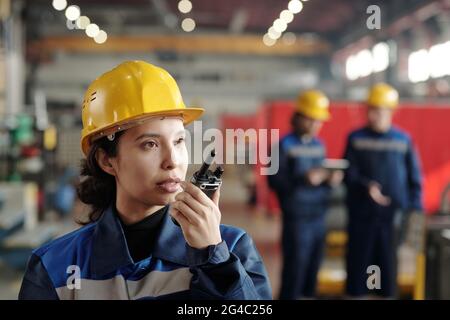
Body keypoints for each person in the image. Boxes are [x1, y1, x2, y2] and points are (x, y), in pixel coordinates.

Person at [18, 60, 272, 300]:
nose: (172, 160)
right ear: (107, 161)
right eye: (150, 144)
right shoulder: (54, 267)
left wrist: (214, 260)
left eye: (179, 141)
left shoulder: (232, 249)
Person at [344, 83, 423, 298]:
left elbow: (414, 177)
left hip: (392, 218)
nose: (373, 116)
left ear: (391, 112)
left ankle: (382, 293)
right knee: (360, 265)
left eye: (378, 110)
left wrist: (415, 210)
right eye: (370, 110)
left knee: (386, 267)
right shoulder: (356, 138)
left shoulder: (403, 140)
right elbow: (349, 172)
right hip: (362, 216)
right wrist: (366, 186)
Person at [268, 90, 343, 299]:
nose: (316, 125)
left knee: (313, 268)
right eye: (312, 119)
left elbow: (322, 175)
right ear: (299, 116)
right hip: (297, 219)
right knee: (295, 269)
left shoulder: (319, 146)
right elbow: (274, 180)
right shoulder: (283, 145)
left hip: (319, 216)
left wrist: (329, 181)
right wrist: (303, 179)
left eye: (319, 121)